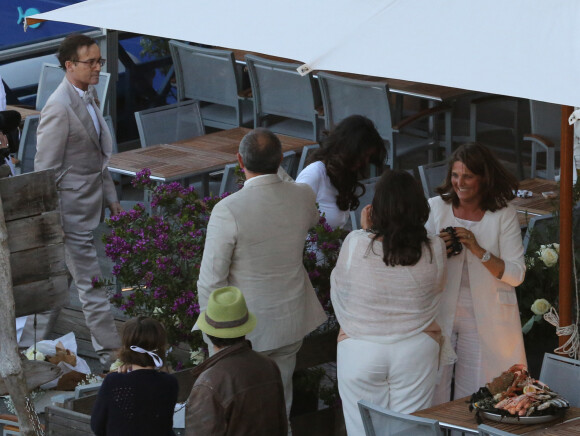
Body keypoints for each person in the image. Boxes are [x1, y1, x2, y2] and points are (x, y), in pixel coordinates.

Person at [197, 128, 327, 418]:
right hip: (289, 321)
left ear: (239, 161)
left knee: (242, 415)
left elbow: (210, 280)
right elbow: (305, 206)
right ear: (281, 159)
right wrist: (275, 166)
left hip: (242, 330)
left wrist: (213, 338)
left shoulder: (228, 209)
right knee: (279, 407)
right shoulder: (302, 196)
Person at [29, 33, 122, 368]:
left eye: (100, 61)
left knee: (59, 284)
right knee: (92, 285)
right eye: (91, 62)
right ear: (69, 66)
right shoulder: (58, 107)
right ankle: (112, 354)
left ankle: (25, 347)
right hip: (69, 213)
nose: (98, 67)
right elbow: (45, 171)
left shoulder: (88, 94)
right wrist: (51, 219)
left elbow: (97, 158)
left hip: (88, 205)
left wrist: (111, 198)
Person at [331, 170, 447, 435]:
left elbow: (343, 289)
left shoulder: (356, 243)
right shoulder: (435, 248)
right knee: (410, 430)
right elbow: (437, 290)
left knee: (362, 429)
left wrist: (365, 231)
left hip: (360, 347)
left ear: (377, 208)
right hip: (415, 347)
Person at [425, 142, 526, 405]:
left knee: (475, 396)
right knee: (432, 389)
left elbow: (516, 274)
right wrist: (438, 249)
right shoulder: (436, 207)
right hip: (440, 311)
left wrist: (478, 249)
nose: (460, 182)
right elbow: (417, 260)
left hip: (484, 318)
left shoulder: (503, 213)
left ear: (484, 178)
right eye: (456, 175)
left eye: (468, 175)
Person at [186, 286, 287, 435]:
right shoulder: (268, 365)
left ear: (208, 332)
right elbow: (281, 426)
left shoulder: (208, 384)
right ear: (244, 328)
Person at [91, 317, 178, 436]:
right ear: (161, 347)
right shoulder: (170, 383)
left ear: (126, 347)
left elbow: (97, 425)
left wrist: (119, 379)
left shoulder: (114, 382)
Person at [296, 115, 385, 229]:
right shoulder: (314, 174)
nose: (365, 162)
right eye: (363, 156)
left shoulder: (344, 174)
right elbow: (294, 221)